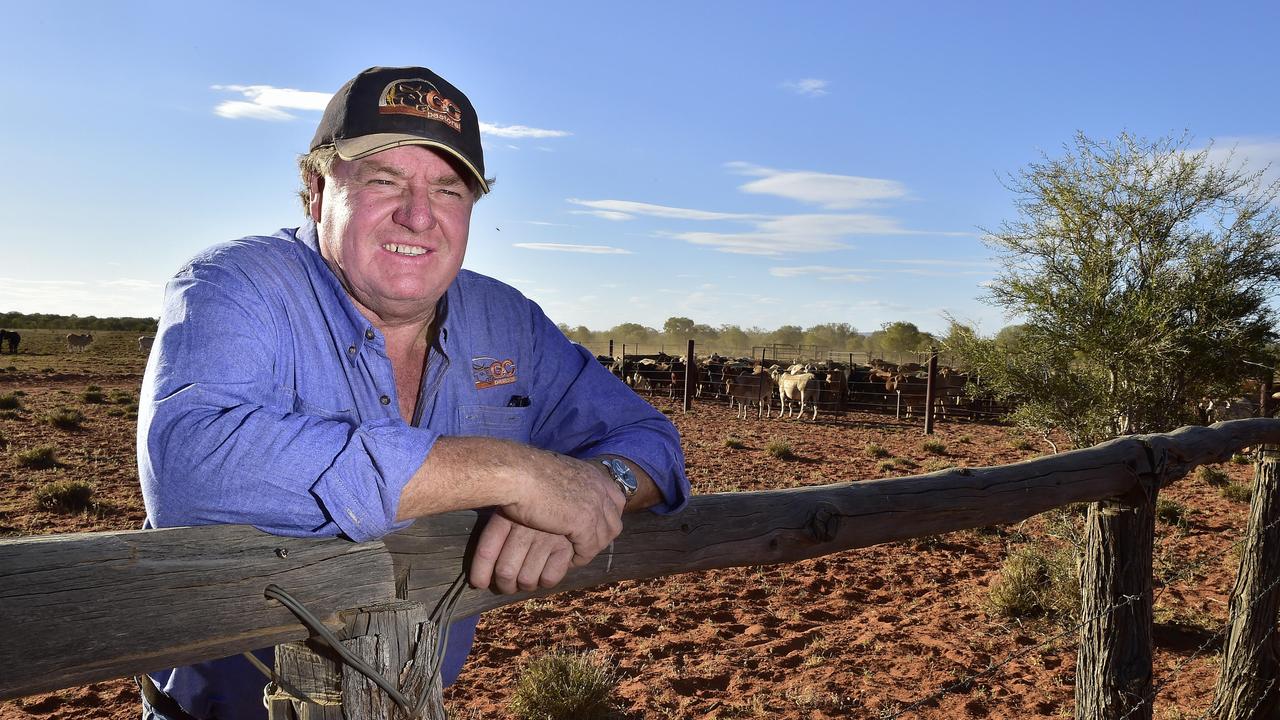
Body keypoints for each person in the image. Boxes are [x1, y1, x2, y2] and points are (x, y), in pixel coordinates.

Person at [136, 65, 690, 720]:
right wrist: (512, 473)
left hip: (415, 701)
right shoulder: (239, 285)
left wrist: (600, 488)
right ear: (316, 190)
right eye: (384, 180)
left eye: (449, 190)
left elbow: (649, 442)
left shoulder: (506, 322)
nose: (419, 214)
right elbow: (195, 469)